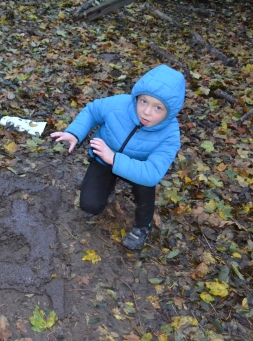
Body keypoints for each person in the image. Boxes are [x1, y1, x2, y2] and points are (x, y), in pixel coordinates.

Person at [51, 64, 185, 250]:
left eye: (158, 108)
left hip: (137, 168)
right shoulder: (119, 105)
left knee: (146, 187)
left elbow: (152, 173)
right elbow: (92, 111)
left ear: (170, 112)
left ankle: (142, 227)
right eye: (144, 101)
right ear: (137, 96)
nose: (146, 112)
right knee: (90, 205)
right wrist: (75, 133)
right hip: (103, 160)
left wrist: (114, 158)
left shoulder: (170, 134)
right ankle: (107, 186)